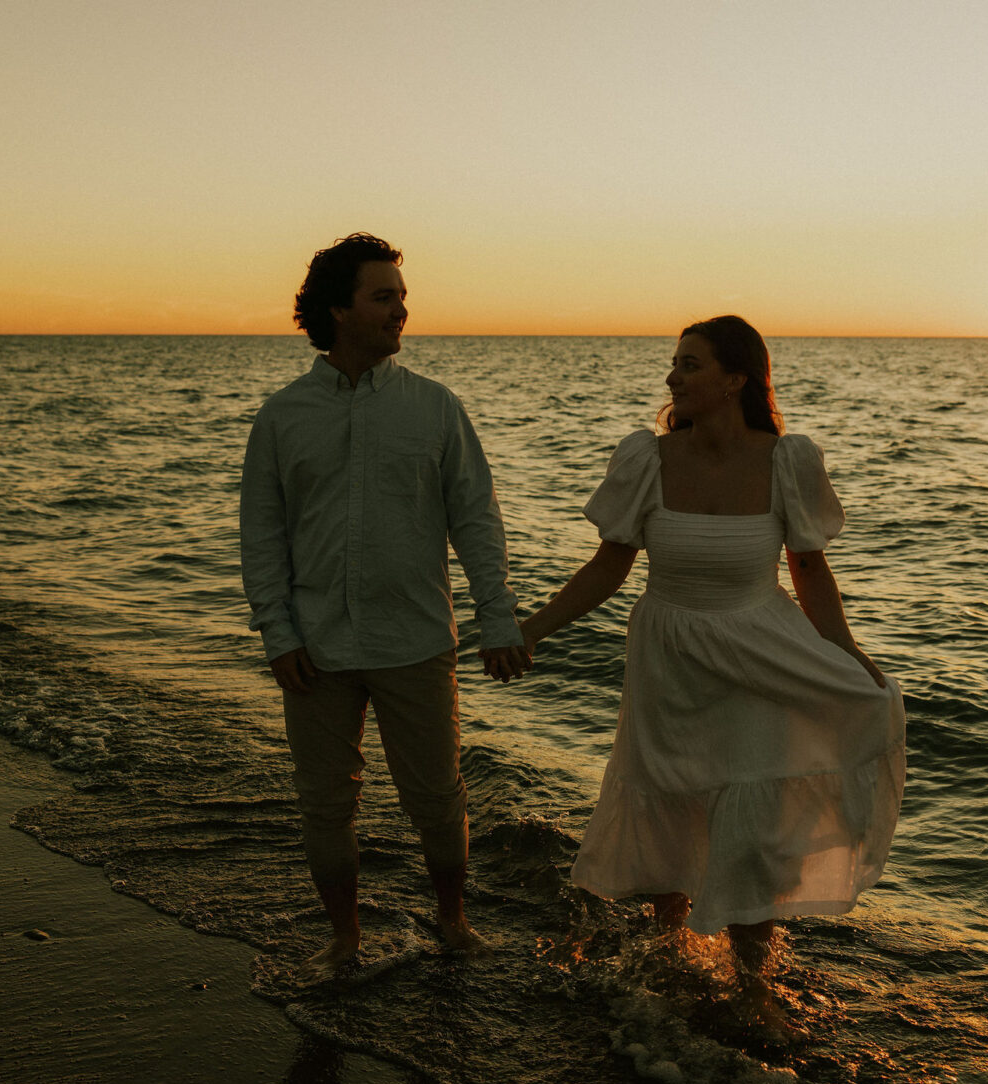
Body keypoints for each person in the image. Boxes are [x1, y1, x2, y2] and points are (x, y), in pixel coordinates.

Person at [520, 315, 905, 986]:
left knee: (750, 827)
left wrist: (847, 654)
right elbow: (608, 568)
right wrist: (529, 630)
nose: (673, 376)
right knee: (669, 808)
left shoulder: (788, 461)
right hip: (668, 658)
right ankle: (670, 961)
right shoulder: (648, 459)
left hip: (759, 657)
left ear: (736, 379)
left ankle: (753, 983)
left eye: (690, 364)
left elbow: (809, 571)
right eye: (675, 364)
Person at [240, 233, 531, 979]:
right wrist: (277, 631)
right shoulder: (282, 418)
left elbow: (476, 518)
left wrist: (496, 617)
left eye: (402, 296)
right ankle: (344, 939)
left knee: (438, 798)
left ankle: (453, 922)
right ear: (338, 309)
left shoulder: (434, 408)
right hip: (316, 649)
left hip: (417, 639)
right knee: (325, 805)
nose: (402, 310)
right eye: (383, 296)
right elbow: (263, 535)